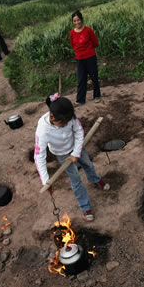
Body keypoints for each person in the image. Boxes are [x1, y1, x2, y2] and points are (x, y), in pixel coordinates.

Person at [34, 93, 110, 222]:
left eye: (67, 122)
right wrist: (47, 181)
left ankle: (95, 180)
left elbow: (79, 132)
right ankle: (85, 206)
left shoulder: (70, 117)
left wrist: (76, 152)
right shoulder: (43, 130)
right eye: (62, 123)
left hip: (77, 146)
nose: (65, 125)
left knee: (88, 165)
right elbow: (39, 156)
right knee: (76, 179)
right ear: (52, 116)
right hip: (62, 154)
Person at [69, 10, 102, 105]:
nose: (77, 22)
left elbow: (95, 43)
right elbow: (73, 45)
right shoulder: (72, 33)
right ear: (73, 22)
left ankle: (97, 96)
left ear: (82, 20)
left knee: (94, 77)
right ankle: (80, 100)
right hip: (79, 59)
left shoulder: (88, 30)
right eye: (74, 21)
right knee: (81, 79)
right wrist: (80, 52)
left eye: (78, 20)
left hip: (90, 57)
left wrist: (88, 50)